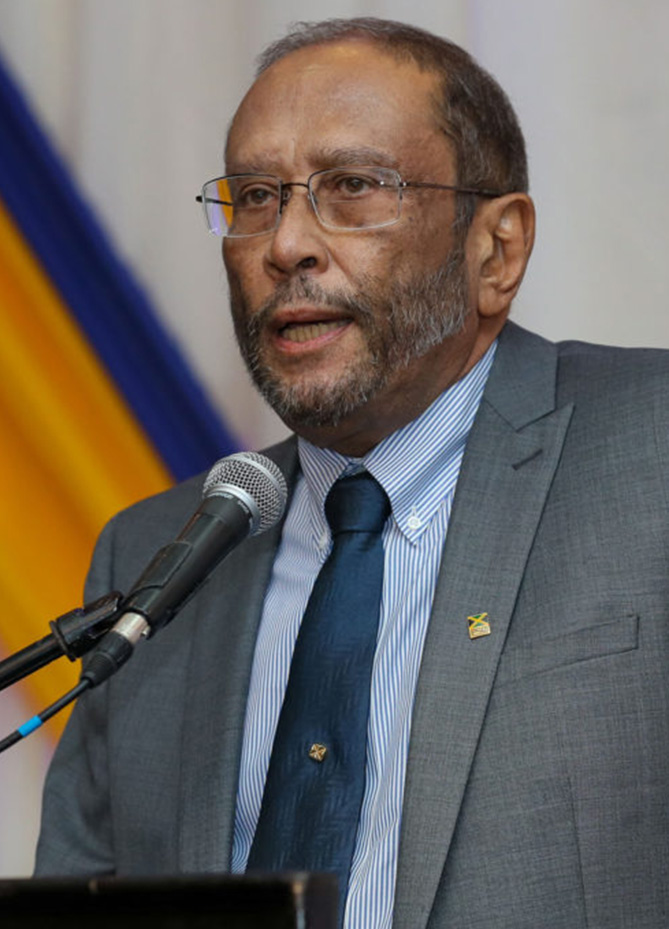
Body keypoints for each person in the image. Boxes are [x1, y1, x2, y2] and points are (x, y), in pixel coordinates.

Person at [35, 17, 669, 929]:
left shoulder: (649, 450)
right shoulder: (150, 563)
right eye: (254, 196)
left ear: (496, 248)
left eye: (353, 186)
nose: (285, 243)